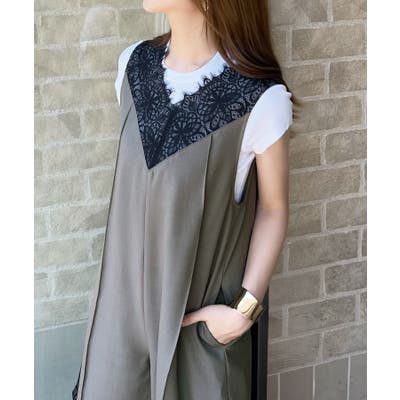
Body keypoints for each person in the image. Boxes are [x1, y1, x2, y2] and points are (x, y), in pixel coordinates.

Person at [73, 0, 294, 399]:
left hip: (195, 333)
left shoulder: (260, 99)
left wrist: (244, 311)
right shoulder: (133, 66)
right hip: (117, 328)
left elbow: (273, 208)